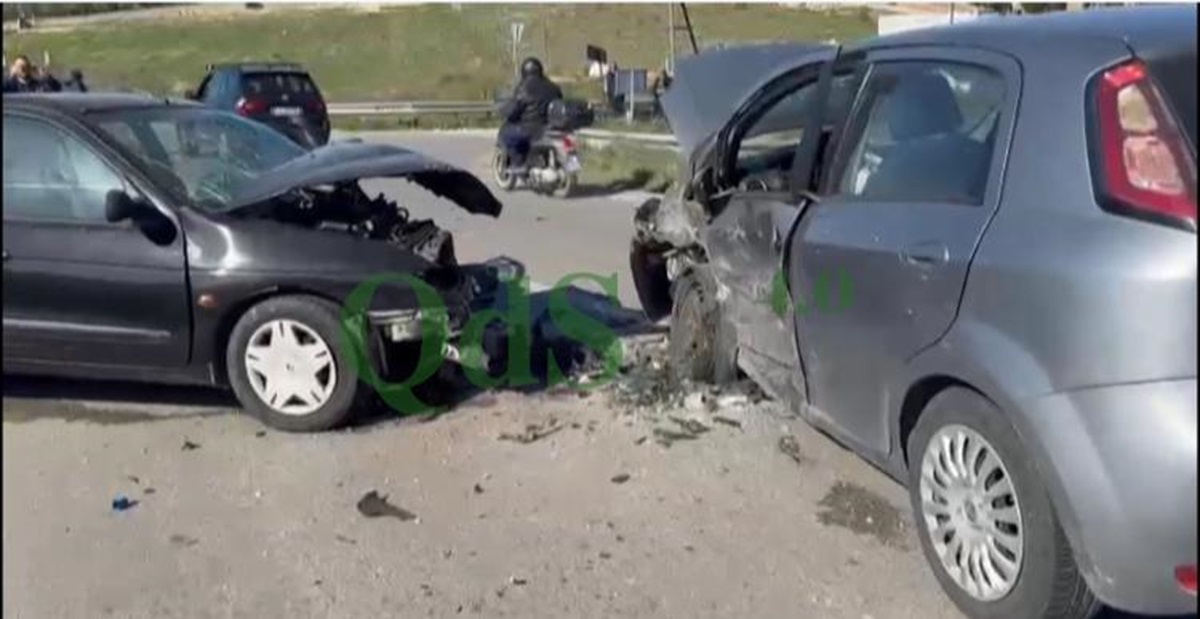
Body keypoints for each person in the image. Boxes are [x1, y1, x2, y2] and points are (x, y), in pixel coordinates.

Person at [497, 57, 563, 173]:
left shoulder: (523, 87)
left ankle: (518, 163)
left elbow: (516, 108)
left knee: (505, 134)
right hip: (550, 127)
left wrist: (508, 114)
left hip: (530, 128)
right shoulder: (553, 87)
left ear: (524, 71)